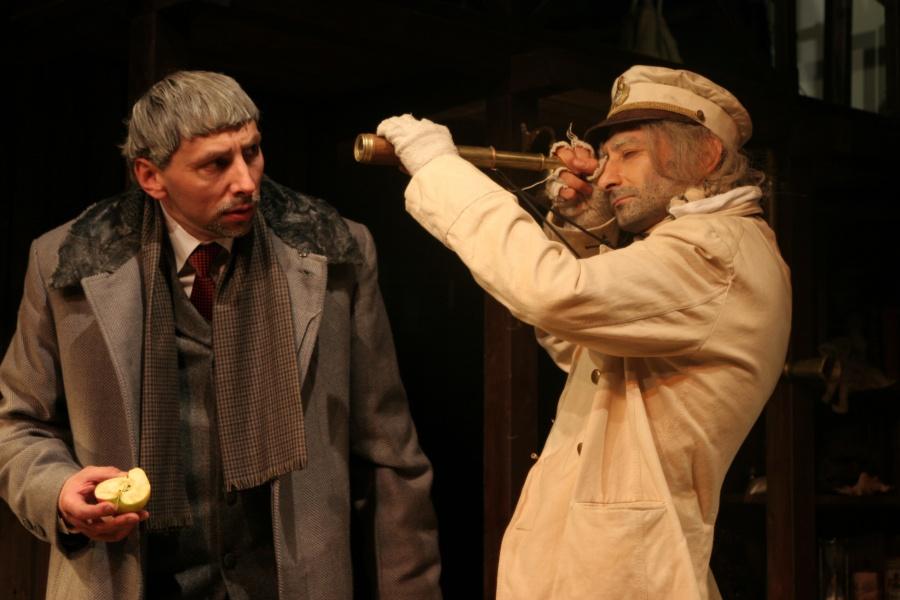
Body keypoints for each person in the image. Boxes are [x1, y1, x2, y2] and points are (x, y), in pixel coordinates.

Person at [0, 70, 441, 599]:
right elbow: (18, 424)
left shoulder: (333, 253)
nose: (247, 181)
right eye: (215, 164)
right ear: (151, 176)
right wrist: (57, 492)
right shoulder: (67, 263)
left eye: (251, 152)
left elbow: (389, 456)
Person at [377, 65, 791, 599]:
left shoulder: (715, 249)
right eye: (607, 157)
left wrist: (441, 170)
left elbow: (553, 293)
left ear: (706, 155)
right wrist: (585, 231)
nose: (606, 176)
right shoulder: (700, 247)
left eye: (629, 154)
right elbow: (580, 349)